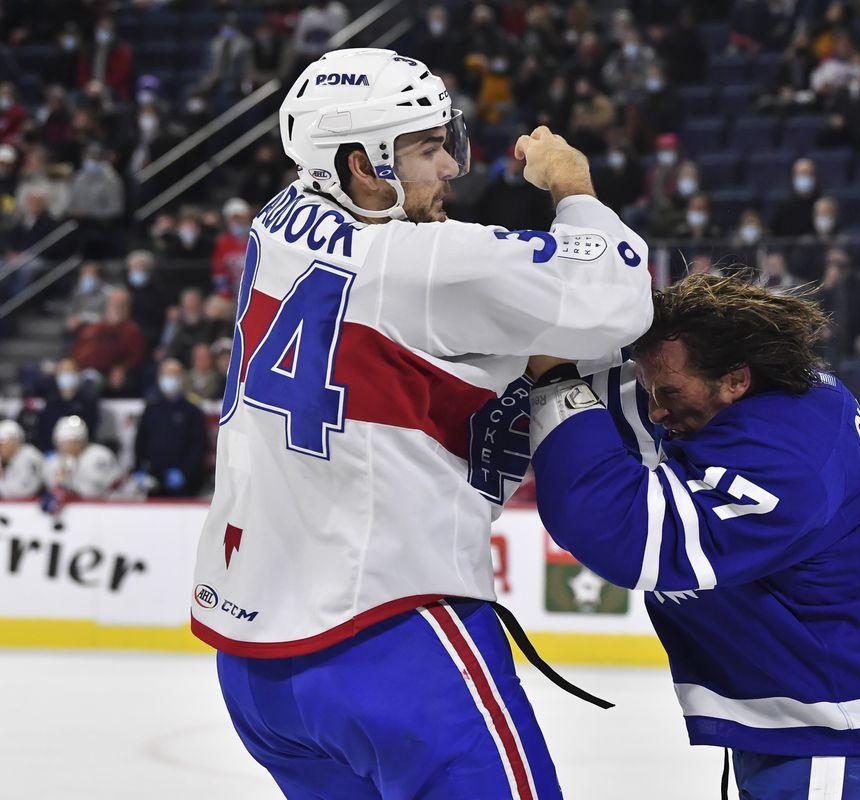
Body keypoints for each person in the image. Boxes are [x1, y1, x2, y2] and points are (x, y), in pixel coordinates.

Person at [193, 49, 652, 800]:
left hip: (255, 668)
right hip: (392, 636)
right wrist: (572, 186)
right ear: (361, 166)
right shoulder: (427, 263)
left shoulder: (276, 223)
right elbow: (619, 294)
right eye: (425, 148)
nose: (449, 168)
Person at [524, 274, 860, 798]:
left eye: (668, 394)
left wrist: (554, 381)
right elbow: (627, 403)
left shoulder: (785, 468)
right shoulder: (770, 399)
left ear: (735, 380)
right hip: (835, 738)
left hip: (847, 748)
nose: (658, 411)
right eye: (651, 391)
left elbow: (623, 533)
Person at [134, 359, 208, 497]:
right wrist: (139, 468)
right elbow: (141, 441)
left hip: (184, 482)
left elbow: (198, 446)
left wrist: (185, 472)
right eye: (166, 374)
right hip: (154, 480)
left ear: (182, 378)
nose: (169, 379)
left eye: (174, 374)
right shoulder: (151, 409)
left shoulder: (192, 411)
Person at [42, 415, 121, 500]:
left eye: (73, 441)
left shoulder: (99, 456)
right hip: (73, 510)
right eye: (64, 442)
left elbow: (114, 486)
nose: (68, 446)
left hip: (105, 506)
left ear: (83, 441)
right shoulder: (52, 462)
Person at [0, 419, 44, 498]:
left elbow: (23, 491)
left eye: (2, 444)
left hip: (30, 508)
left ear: (12, 442)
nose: (1, 448)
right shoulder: (12, 458)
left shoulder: (30, 457)